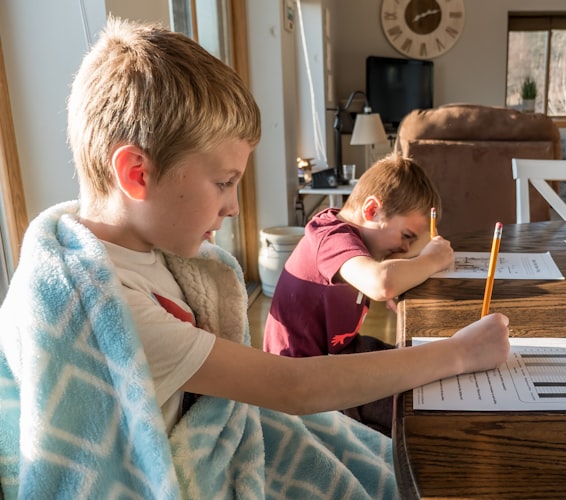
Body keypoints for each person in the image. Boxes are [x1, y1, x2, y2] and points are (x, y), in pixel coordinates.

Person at [0, 18, 510, 498]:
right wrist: (460, 353)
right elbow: (290, 386)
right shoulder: (108, 309)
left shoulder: (144, 251)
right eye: (223, 183)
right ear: (136, 173)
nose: (231, 206)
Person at [263, 154, 453, 434]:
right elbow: (381, 283)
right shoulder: (330, 237)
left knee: (424, 372)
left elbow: (384, 279)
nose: (405, 251)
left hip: (339, 354)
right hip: (303, 383)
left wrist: (407, 271)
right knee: (417, 411)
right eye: (407, 237)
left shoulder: (359, 241)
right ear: (372, 210)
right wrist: (430, 261)